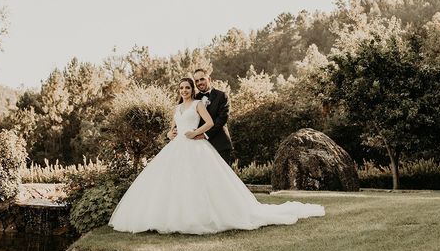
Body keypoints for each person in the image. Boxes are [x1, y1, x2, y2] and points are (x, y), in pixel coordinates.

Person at [108, 77, 325, 235]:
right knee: (173, 183)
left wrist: (196, 132)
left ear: (192, 89)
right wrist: (169, 133)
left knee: (202, 181)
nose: (184, 90)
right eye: (181, 88)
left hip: (195, 145)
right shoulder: (177, 108)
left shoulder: (198, 104)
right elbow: (171, 129)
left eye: (187, 87)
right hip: (176, 148)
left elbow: (211, 123)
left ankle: (204, 216)